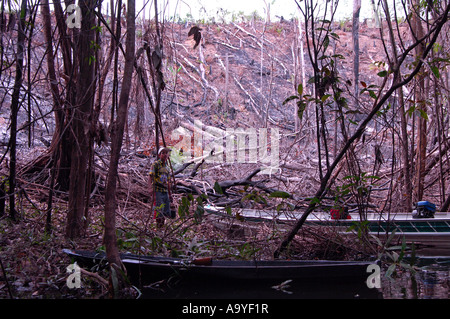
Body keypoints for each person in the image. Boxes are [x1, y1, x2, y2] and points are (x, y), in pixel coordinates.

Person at [149, 147, 175, 228]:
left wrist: (170, 194)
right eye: (163, 153)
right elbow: (150, 177)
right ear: (159, 155)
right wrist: (150, 189)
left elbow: (168, 182)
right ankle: (158, 226)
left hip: (165, 191)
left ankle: (162, 227)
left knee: (166, 210)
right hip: (157, 190)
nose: (164, 155)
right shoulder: (156, 165)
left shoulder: (167, 168)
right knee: (159, 209)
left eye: (166, 153)